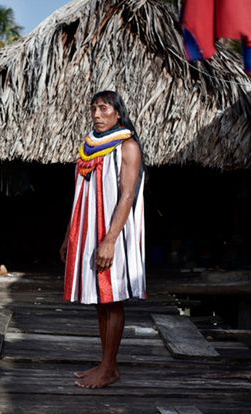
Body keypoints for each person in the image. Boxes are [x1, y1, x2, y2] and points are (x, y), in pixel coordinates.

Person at [60, 90, 146, 389]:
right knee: (100, 301)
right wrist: (69, 237)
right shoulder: (89, 149)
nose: (96, 114)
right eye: (93, 108)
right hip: (88, 234)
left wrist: (110, 240)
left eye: (103, 108)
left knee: (112, 300)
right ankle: (107, 364)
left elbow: (127, 195)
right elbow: (81, 197)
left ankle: (108, 368)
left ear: (117, 113)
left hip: (113, 235)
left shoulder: (127, 147)